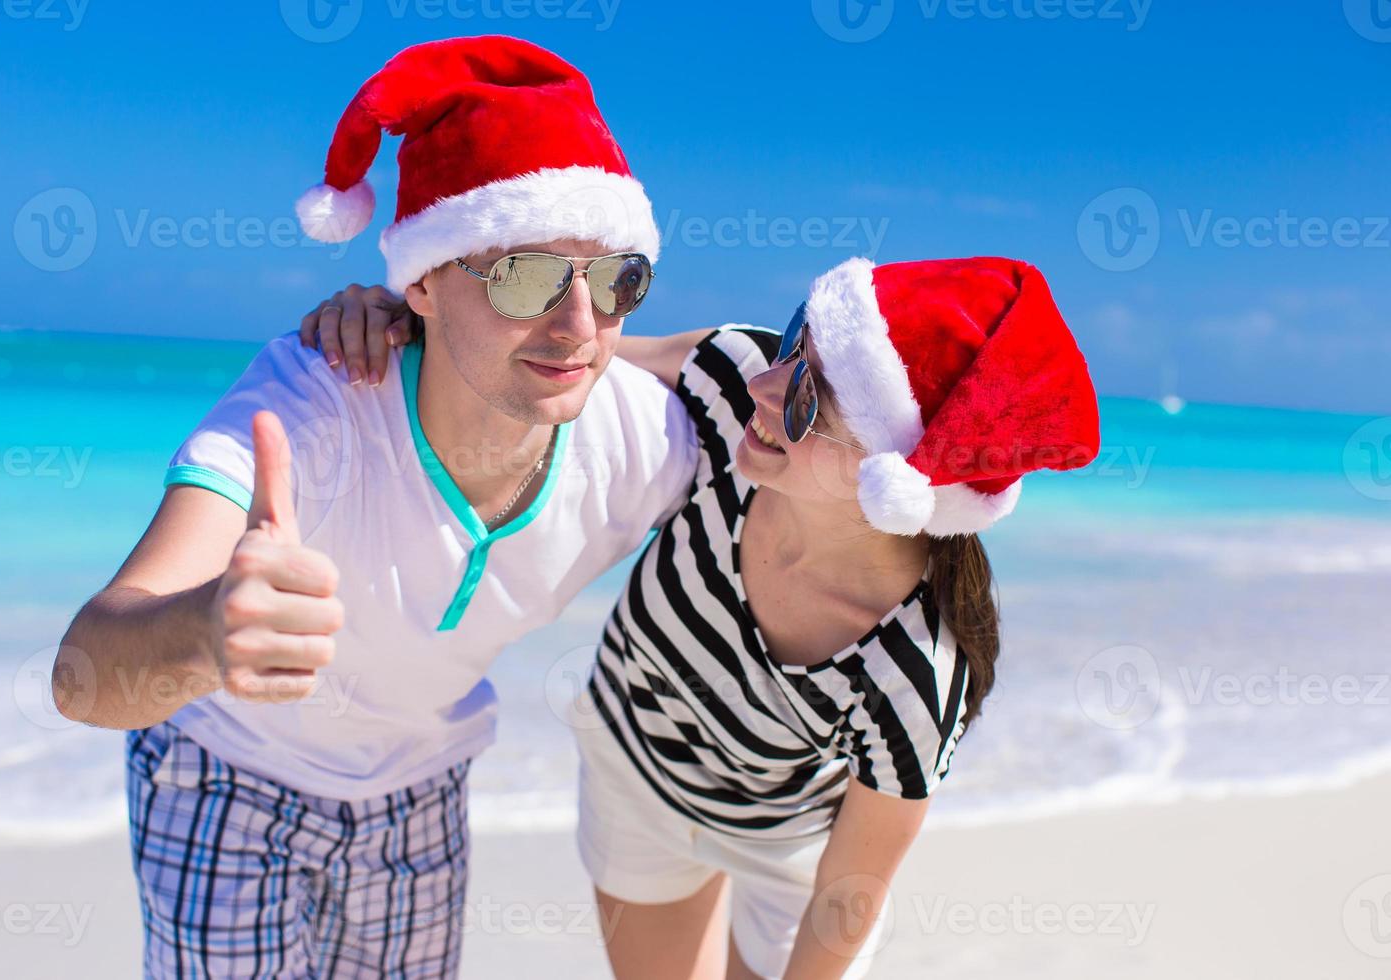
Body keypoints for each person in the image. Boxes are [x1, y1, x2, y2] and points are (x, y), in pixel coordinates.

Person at [50, 36, 698, 977]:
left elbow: (811, 383)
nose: (577, 325)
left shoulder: (644, 438)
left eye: (615, 280)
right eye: (523, 274)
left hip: (421, 789)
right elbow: (82, 674)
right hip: (228, 772)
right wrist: (208, 633)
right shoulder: (309, 405)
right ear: (424, 284)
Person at [307, 256, 1101, 978]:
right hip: (636, 775)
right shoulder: (735, 385)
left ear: (893, 482)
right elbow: (561, 369)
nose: (768, 382)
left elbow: (847, 891)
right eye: (796, 341)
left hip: (789, 848)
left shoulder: (913, 671)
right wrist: (413, 317)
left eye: (808, 398)